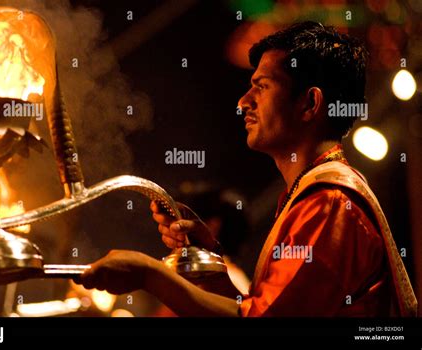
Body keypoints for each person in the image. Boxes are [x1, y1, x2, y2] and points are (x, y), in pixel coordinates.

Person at [76, 22, 417, 317]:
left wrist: (149, 276)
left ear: (310, 103)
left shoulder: (328, 203)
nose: (243, 101)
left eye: (263, 86)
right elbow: (262, 309)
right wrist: (210, 267)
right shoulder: (309, 194)